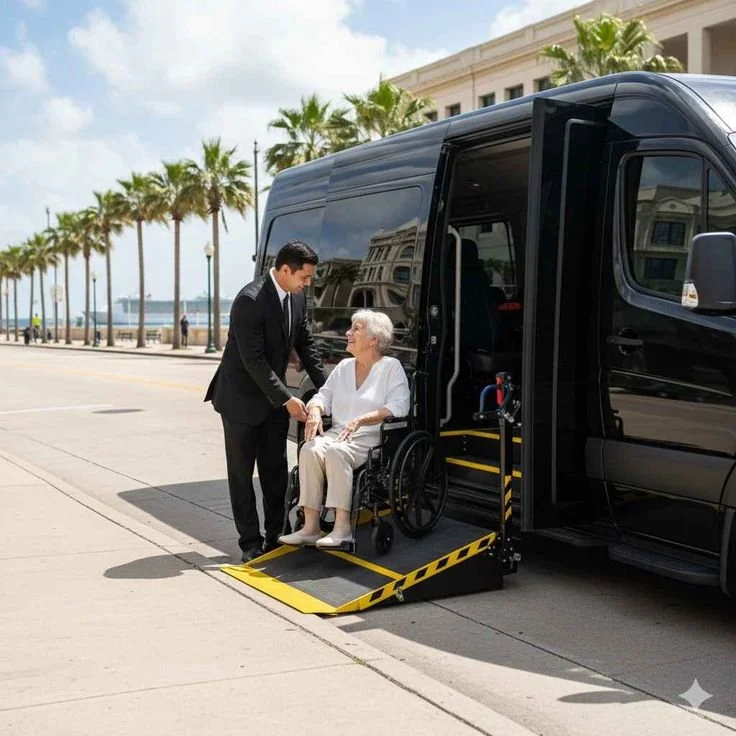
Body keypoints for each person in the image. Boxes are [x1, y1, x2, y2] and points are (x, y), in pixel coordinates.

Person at [204, 240, 326, 562]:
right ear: (285, 270)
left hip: (273, 400)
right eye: (304, 277)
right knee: (242, 475)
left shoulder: (296, 298)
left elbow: (306, 345)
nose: (307, 284)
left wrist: (327, 390)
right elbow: (253, 360)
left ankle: (276, 535)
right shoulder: (250, 300)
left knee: (276, 471)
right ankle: (250, 543)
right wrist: (287, 399)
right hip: (240, 401)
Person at [279, 310, 410, 549]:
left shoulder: (391, 367)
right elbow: (323, 396)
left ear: (373, 339)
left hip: (371, 437)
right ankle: (310, 527)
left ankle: (342, 529)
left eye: (356, 329)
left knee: (336, 452)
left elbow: (399, 405)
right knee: (309, 449)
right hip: (339, 433)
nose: (348, 333)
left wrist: (363, 419)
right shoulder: (344, 367)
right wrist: (316, 410)